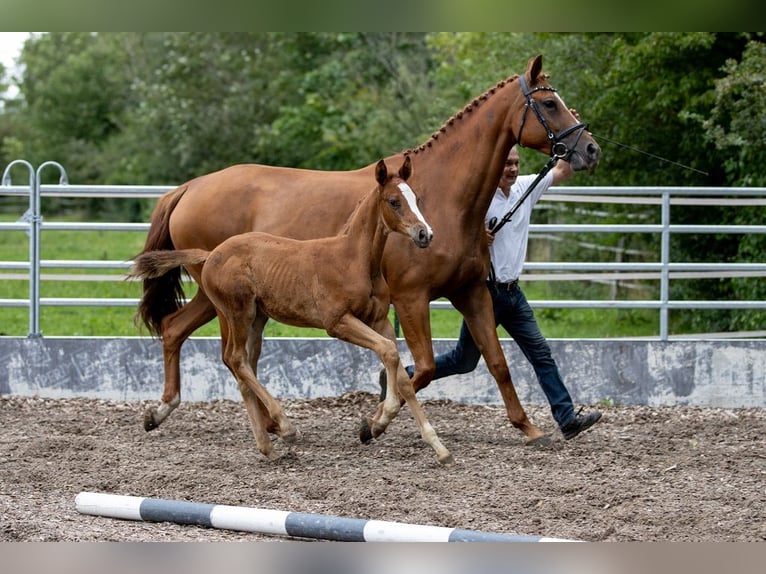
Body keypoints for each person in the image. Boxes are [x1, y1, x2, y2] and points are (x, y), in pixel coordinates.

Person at [387, 141, 602, 441]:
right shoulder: (481, 200)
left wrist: (570, 140)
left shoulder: (525, 188)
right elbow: (453, 230)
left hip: (514, 295)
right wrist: (478, 238)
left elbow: (563, 170)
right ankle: (406, 375)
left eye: (515, 163)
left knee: (540, 353)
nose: (512, 169)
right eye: (506, 164)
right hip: (485, 294)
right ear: (495, 168)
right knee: (464, 361)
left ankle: (566, 418)